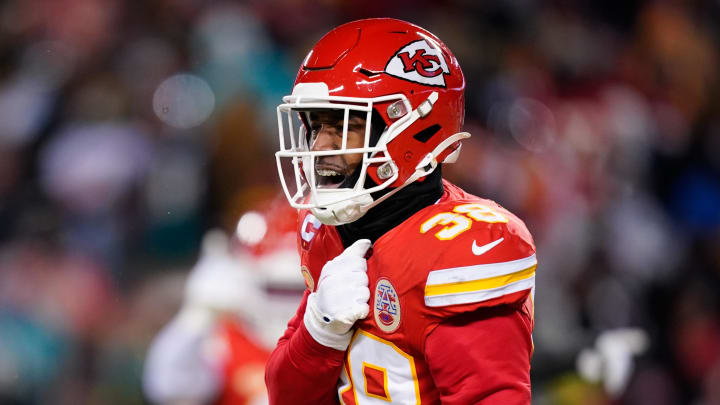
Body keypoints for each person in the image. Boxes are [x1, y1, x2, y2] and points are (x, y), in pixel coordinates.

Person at [266, 18, 537, 404]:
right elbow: (284, 396)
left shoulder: (458, 249)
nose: (321, 147)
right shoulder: (329, 231)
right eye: (316, 124)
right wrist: (318, 334)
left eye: (345, 126)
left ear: (414, 130)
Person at [143, 202, 305, 405]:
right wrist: (197, 314)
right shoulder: (224, 339)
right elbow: (167, 388)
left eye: (298, 289)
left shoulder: (333, 342)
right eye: (274, 288)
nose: (286, 300)